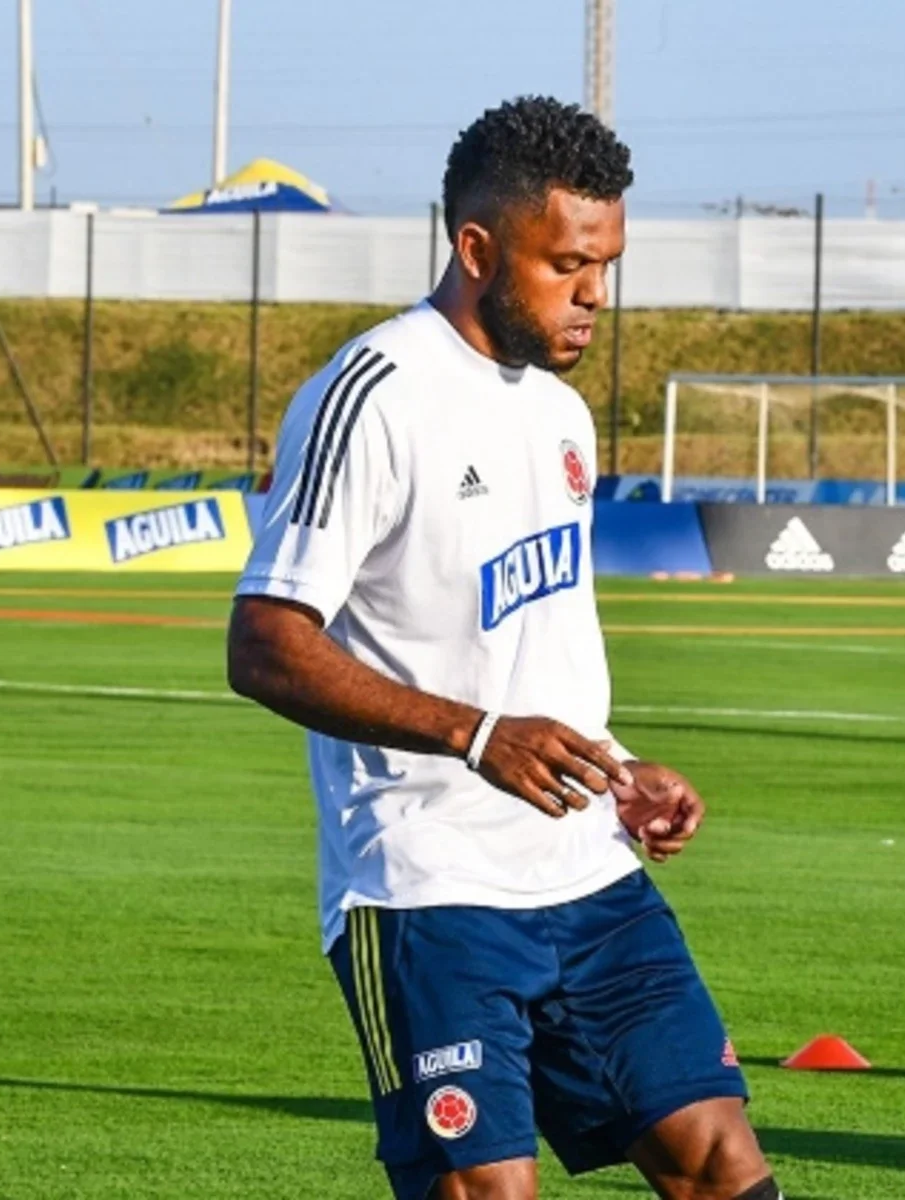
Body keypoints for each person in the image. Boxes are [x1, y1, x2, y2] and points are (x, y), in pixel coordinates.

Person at [227, 96, 779, 1200]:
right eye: (568, 265)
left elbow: (527, 645)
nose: (596, 295)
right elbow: (265, 644)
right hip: (428, 884)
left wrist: (616, 771)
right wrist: (474, 737)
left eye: (608, 263)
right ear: (477, 248)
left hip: (586, 871)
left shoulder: (557, 415)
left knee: (718, 1160)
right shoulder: (371, 396)